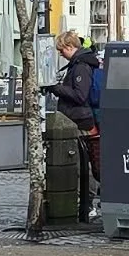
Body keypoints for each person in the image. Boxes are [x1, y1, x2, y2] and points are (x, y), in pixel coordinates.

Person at [49, 29, 102, 222]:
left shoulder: (80, 67)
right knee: (86, 165)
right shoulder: (81, 64)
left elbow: (80, 95)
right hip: (81, 118)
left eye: (61, 50)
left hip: (81, 120)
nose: (60, 54)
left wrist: (57, 89)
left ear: (70, 47)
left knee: (85, 167)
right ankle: (86, 204)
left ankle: (87, 205)